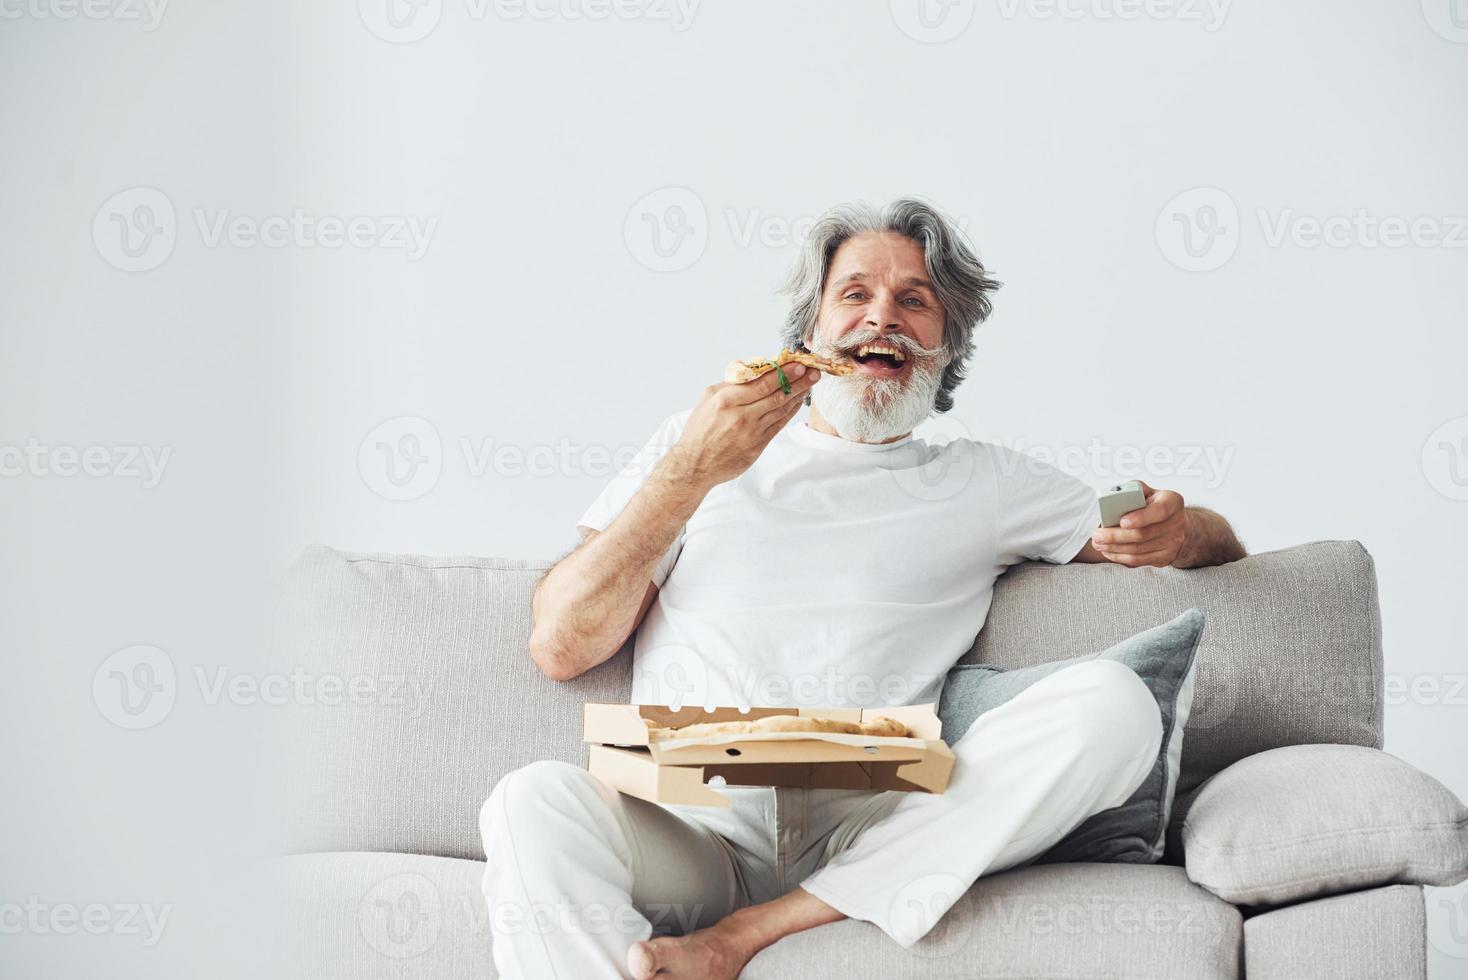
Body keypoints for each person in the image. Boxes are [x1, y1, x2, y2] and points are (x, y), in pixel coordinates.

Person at [480, 198, 1246, 979]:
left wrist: (1179, 533)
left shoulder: (984, 481)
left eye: (914, 301)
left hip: (873, 822)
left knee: (1116, 707)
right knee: (527, 802)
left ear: (946, 348)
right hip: (688, 812)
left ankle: (754, 933)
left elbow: (1203, 538)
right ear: (808, 333)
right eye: (855, 294)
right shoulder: (698, 441)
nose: (883, 318)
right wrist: (691, 470)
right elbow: (561, 644)